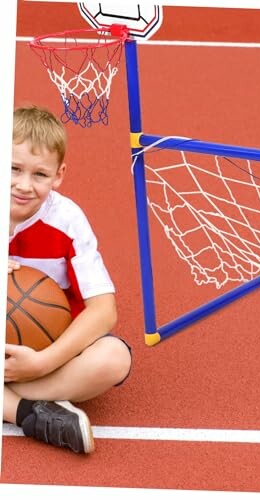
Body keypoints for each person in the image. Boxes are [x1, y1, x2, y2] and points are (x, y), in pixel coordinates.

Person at [4, 105, 132, 454]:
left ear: (59, 175)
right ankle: (26, 413)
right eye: (13, 168)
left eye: (40, 174)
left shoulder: (67, 220)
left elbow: (104, 311)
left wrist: (41, 363)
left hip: (53, 350)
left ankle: (14, 398)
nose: (23, 185)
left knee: (113, 358)